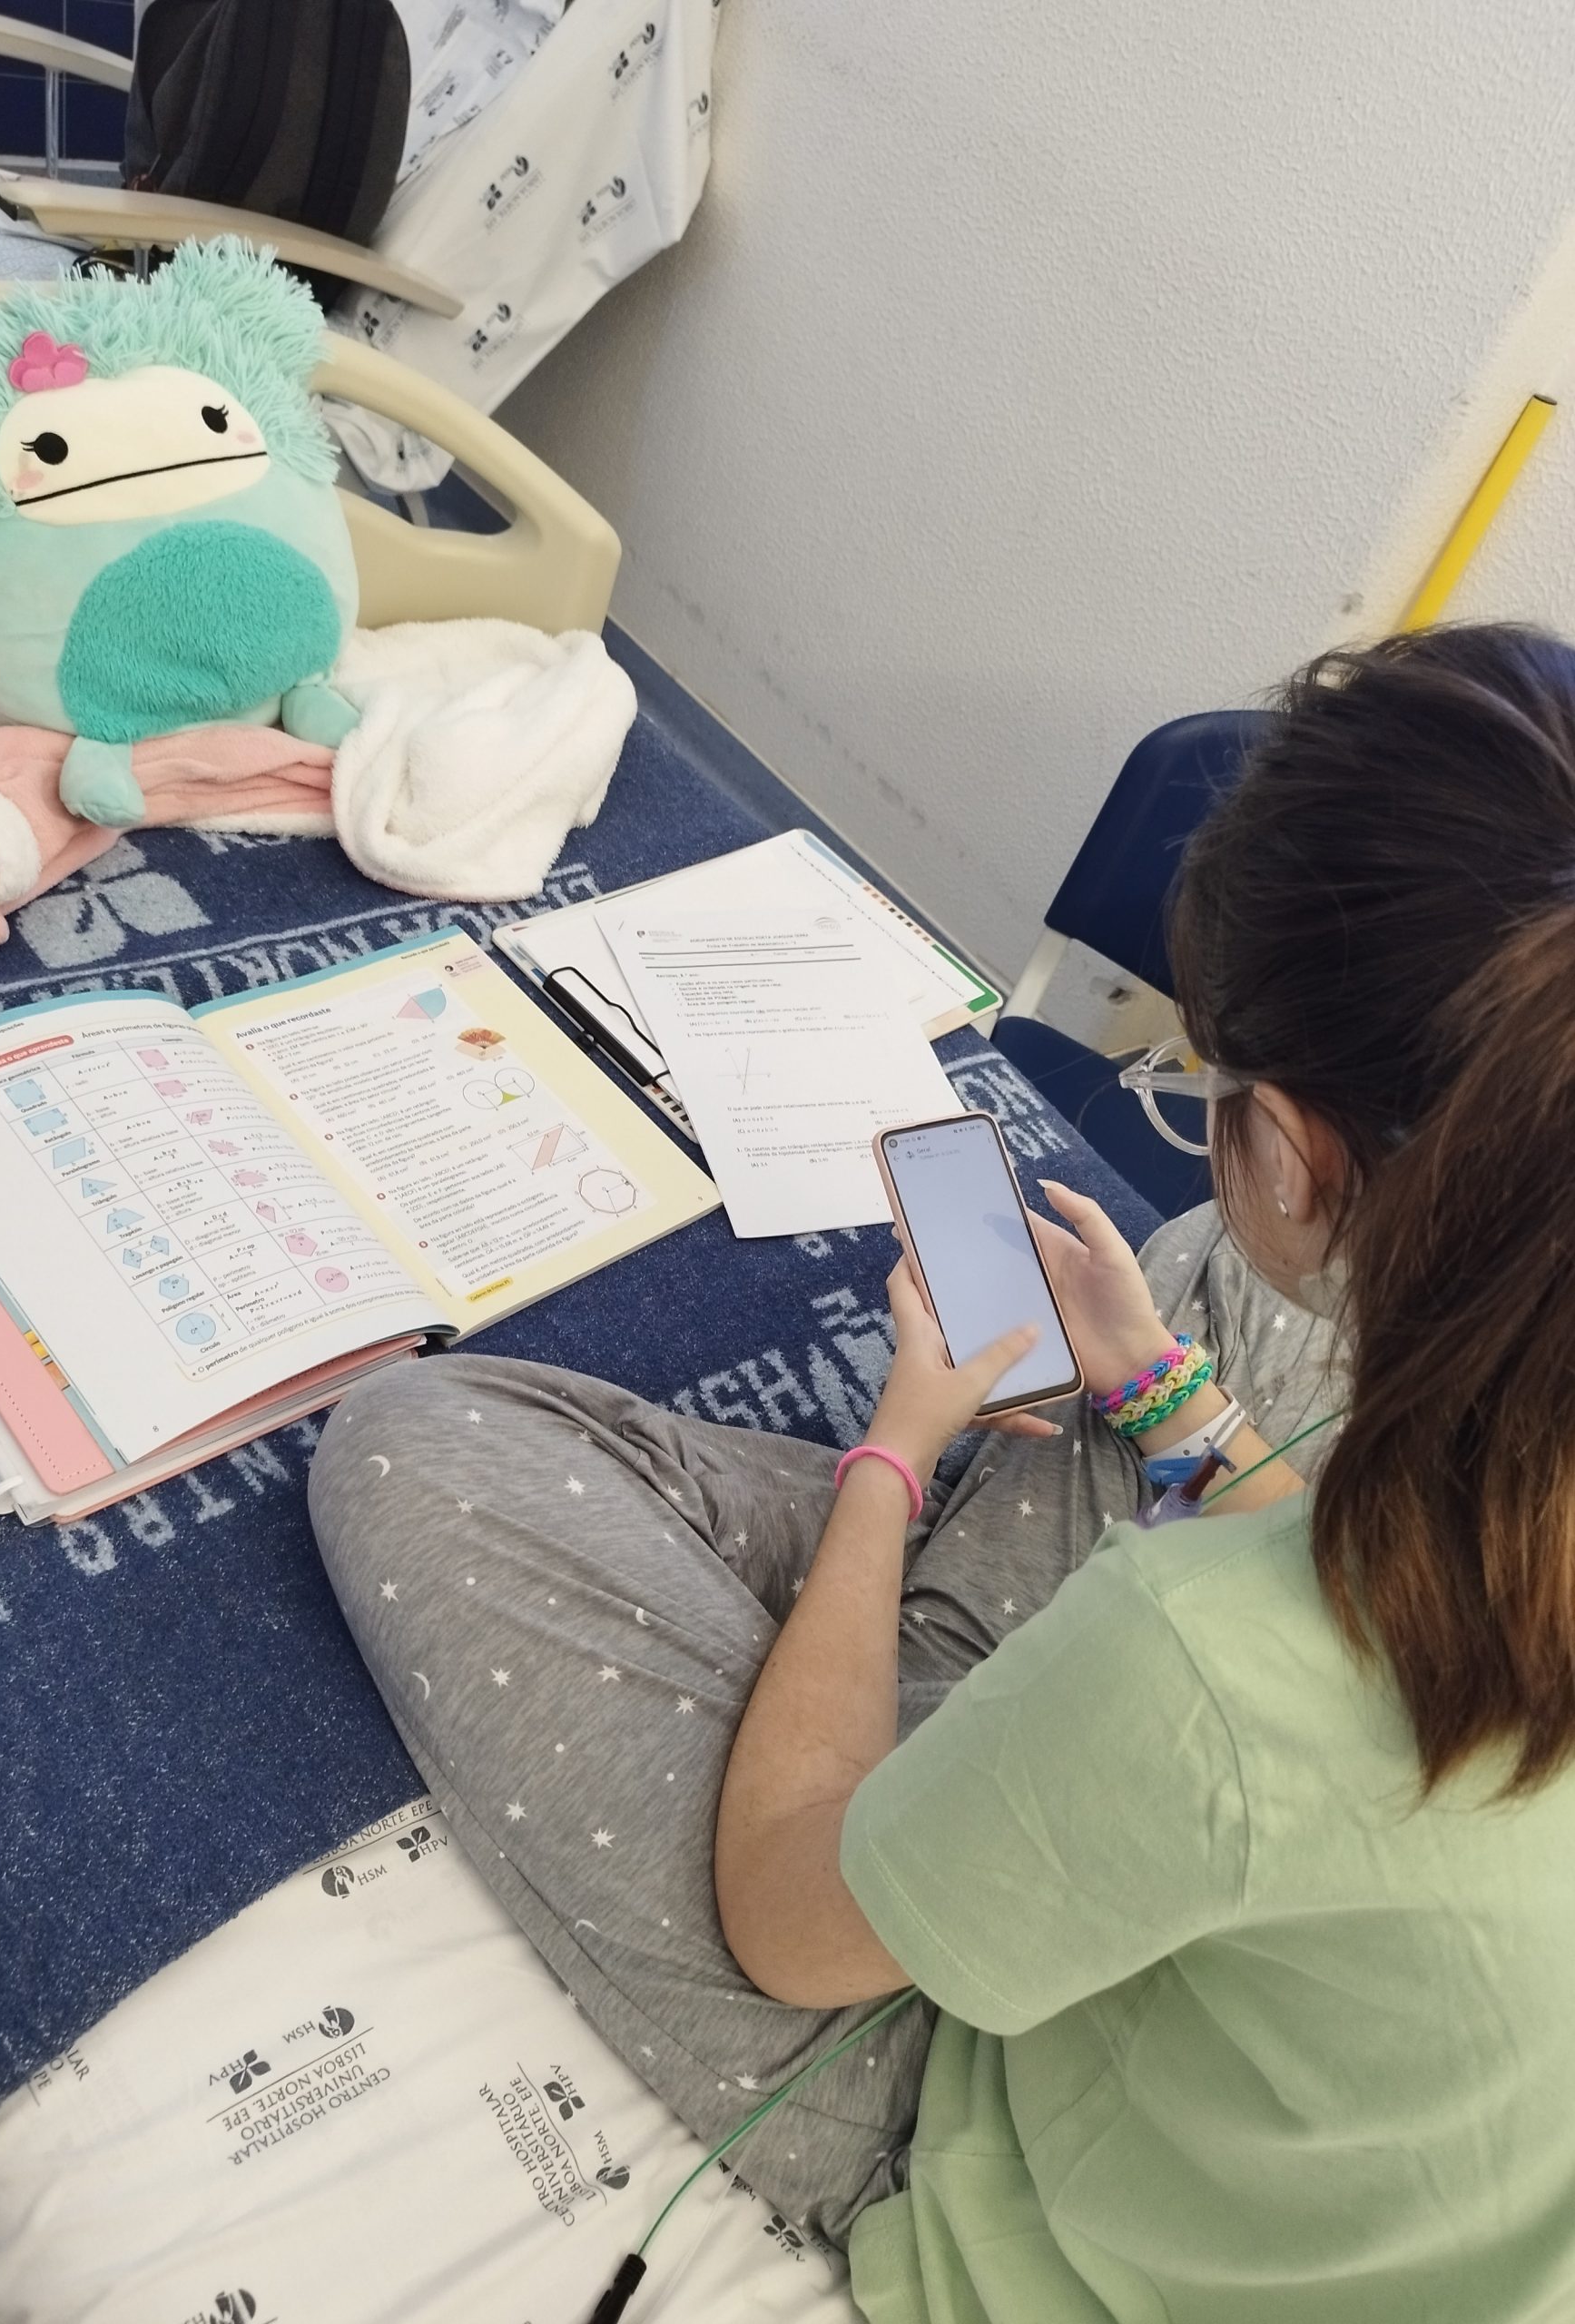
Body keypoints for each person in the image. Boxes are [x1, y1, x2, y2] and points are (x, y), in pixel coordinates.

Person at [309, 623, 1575, 2323]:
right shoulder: (1476, 1500)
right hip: (1283, 1992)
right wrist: (1168, 1402)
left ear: (1293, 1146)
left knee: (419, 1446)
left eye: (1206, 1087)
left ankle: (916, 1699)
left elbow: (784, 1923)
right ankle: (957, 1687)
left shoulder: (1209, 1661)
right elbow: (1399, 1630)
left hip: (995, 2133)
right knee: (1201, 1284)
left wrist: (893, 1458)